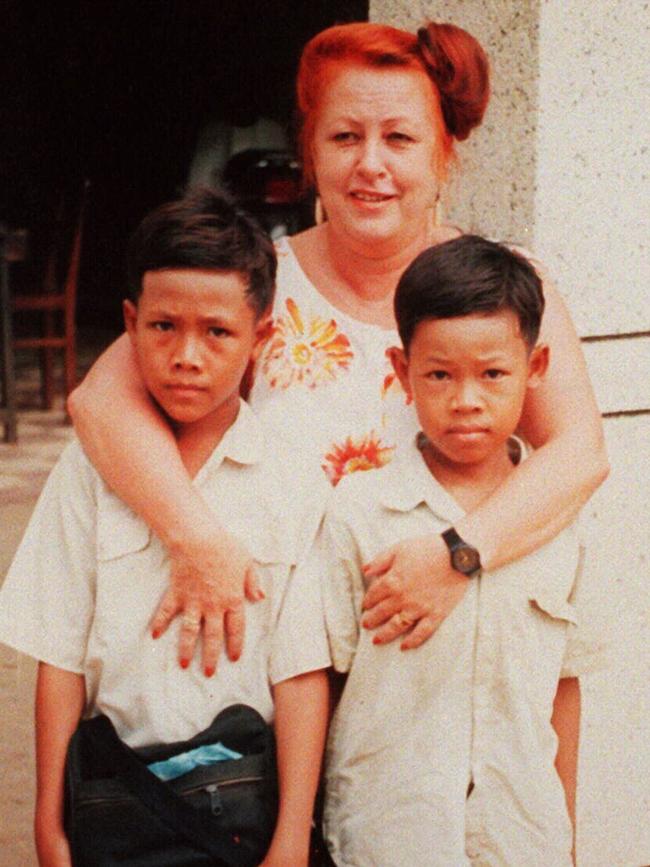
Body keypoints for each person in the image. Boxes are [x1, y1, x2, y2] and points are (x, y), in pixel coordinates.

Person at [68, 20, 606, 768]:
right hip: (265, 699)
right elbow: (100, 403)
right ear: (310, 156)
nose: (371, 166)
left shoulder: (500, 287)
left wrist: (455, 557)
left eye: (400, 139)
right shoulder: (253, 281)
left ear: (446, 151)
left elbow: (579, 452)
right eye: (345, 138)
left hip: (430, 704)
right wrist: (199, 542)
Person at [0, 189, 328, 867]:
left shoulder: (292, 482)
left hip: (241, 807)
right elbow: (59, 654)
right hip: (115, 800)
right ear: (130, 321)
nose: (187, 355)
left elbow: (300, 674)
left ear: (260, 339)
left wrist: (292, 837)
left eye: (217, 331)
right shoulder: (88, 471)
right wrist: (49, 822)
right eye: (163, 327)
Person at [305, 235, 605, 866]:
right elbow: (317, 678)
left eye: (493, 374)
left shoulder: (556, 522)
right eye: (439, 374)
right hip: (386, 836)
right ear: (400, 371)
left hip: (521, 838)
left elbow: (564, 688)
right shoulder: (360, 514)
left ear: (537, 367)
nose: (466, 400)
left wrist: (566, 837)